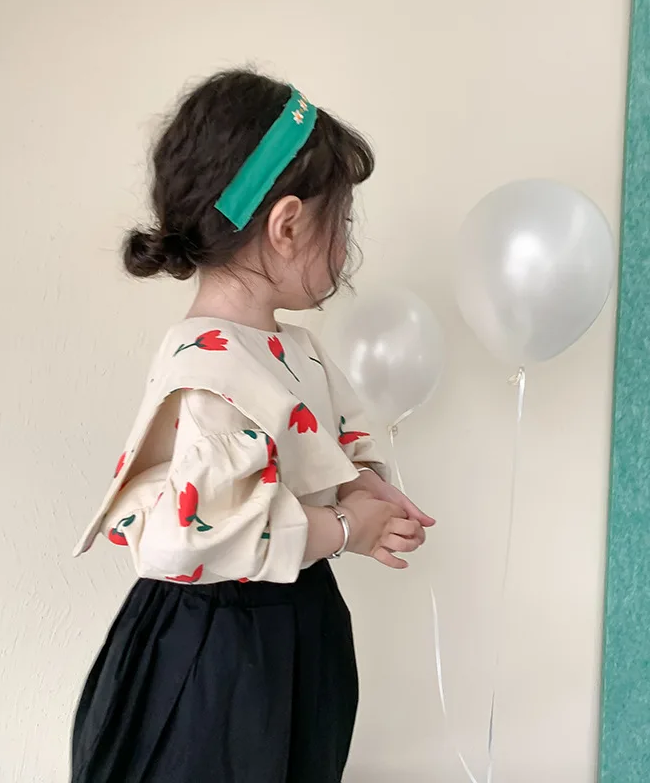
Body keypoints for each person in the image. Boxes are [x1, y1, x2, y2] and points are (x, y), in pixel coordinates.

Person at [70, 69, 435, 783]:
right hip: (220, 654)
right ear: (288, 225)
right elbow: (194, 538)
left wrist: (364, 488)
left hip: (290, 629)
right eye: (342, 222)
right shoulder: (208, 365)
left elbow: (330, 443)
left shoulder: (294, 348)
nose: (347, 244)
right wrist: (345, 530)